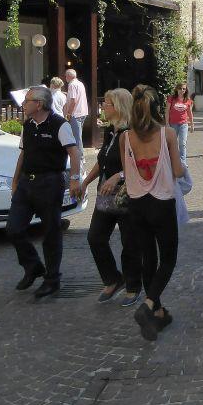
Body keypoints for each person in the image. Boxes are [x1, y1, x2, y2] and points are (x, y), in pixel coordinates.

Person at [120, 85, 185, 341]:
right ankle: (148, 305)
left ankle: (157, 311)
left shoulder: (126, 138)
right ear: (158, 108)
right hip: (162, 203)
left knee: (149, 258)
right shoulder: (167, 134)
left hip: (137, 204)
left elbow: (127, 171)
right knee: (168, 258)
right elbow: (178, 171)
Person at [6, 85, 82, 299]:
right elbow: (23, 154)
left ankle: (52, 279)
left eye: (27, 101)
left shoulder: (60, 124)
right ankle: (32, 266)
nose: (23, 104)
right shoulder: (27, 125)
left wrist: (75, 180)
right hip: (26, 183)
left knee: (51, 232)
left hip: (49, 182)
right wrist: (15, 182)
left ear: (38, 104)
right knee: (13, 227)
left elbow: (73, 153)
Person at [81, 88, 142, 306]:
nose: (102, 107)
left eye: (106, 104)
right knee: (95, 238)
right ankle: (113, 279)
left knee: (130, 242)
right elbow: (102, 161)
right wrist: (85, 182)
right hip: (105, 195)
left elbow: (140, 165)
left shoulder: (132, 132)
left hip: (128, 195)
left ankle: (134, 285)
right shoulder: (110, 132)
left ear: (118, 107)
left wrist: (118, 175)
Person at [63, 68, 89, 177]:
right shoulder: (80, 83)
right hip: (83, 112)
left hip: (76, 113)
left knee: (77, 137)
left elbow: (73, 100)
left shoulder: (72, 85)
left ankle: (81, 158)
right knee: (78, 135)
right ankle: (80, 157)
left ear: (69, 76)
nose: (65, 78)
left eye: (65, 76)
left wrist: (69, 113)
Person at [167, 82, 194, 163]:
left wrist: (192, 124)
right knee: (172, 143)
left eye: (184, 89)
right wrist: (167, 123)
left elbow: (190, 113)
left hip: (183, 124)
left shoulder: (188, 100)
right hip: (173, 124)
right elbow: (167, 111)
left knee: (182, 143)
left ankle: (183, 162)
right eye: (180, 88)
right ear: (177, 89)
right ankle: (172, 161)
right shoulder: (171, 98)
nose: (182, 90)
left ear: (186, 90)